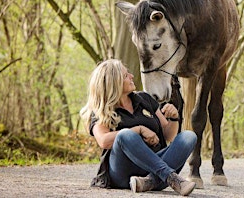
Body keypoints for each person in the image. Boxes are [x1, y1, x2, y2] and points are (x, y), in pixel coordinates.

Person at [80, 59, 197, 196]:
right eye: (125, 76)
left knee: (189, 136)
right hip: (123, 173)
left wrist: (173, 117)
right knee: (125, 135)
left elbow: (168, 135)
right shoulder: (101, 110)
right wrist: (138, 129)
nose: (131, 76)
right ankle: (171, 177)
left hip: (154, 167)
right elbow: (104, 141)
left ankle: (149, 182)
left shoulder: (145, 99)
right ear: (114, 83)